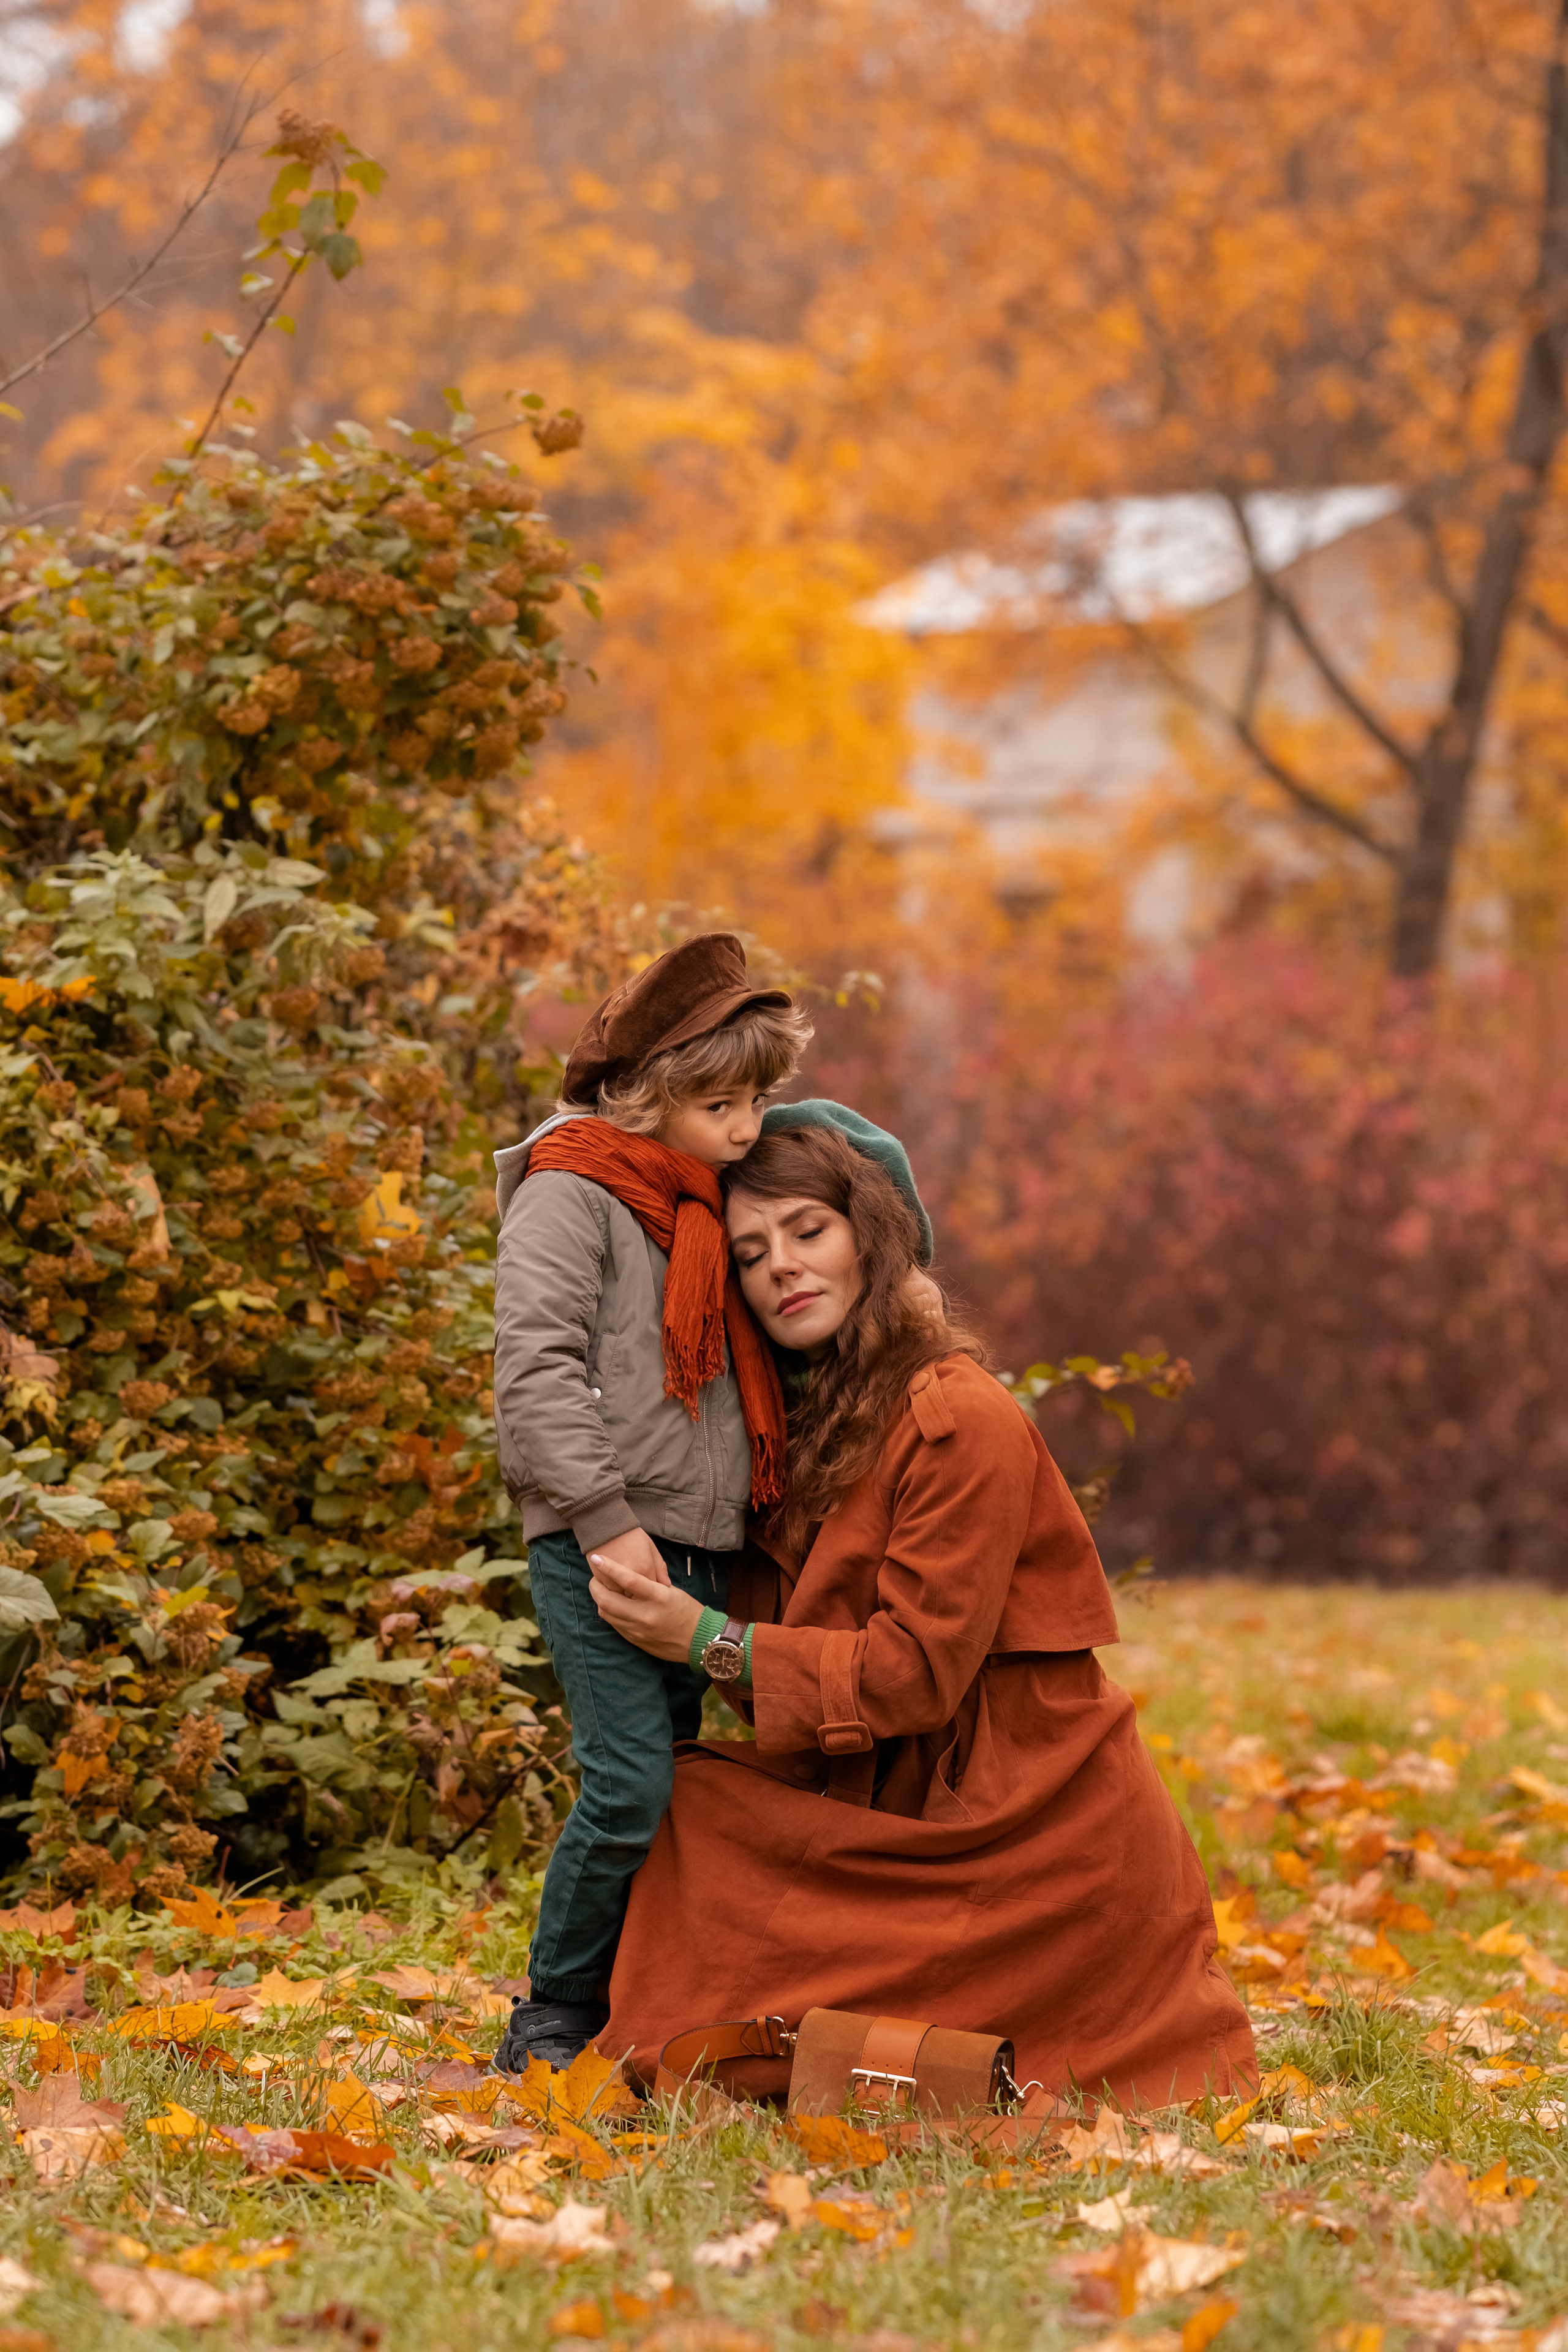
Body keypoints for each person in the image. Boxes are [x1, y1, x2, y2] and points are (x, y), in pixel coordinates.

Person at [586, 1109, 1256, 2109]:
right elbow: (790, 1680)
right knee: (680, 1806)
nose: (782, 1268)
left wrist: (706, 1642)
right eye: (751, 1252)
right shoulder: (789, 1436)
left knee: (765, 2030)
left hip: (1025, 1834)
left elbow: (911, 1675)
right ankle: (647, 2019)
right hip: (877, 1806)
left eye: (809, 1231)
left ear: (874, 1236)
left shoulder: (959, 1417)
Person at [489, 935, 814, 2072]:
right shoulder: (572, 1190)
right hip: (604, 1544)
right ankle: (552, 2013)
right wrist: (602, 1521)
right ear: (649, 1094)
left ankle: (638, 2004)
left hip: (702, 1547)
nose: (747, 1130)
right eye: (721, 1102)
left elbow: (861, 1153)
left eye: (759, 1101)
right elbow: (535, 1373)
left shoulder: (707, 1203)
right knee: (629, 1782)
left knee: (671, 1787)